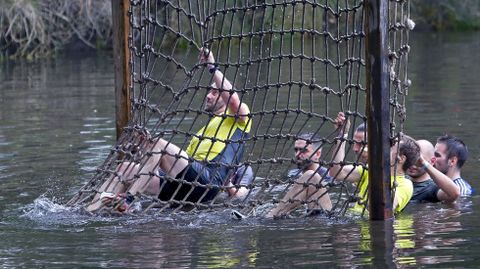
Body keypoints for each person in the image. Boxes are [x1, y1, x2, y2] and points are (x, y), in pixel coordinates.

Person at [86, 48, 252, 212]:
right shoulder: (200, 133)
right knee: (124, 168)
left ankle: (127, 200)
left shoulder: (241, 117)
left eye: (215, 92)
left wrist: (212, 66)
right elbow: (176, 169)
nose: (208, 95)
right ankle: (89, 212)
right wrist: (145, 151)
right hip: (185, 185)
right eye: (209, 91)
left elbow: (233, 101)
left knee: (158, 144)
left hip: (207, 184)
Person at [329, 112, 417, 215]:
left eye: (391, 147)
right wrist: (342, 135)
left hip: (368, 227)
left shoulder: (406, 184)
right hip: (353, 222)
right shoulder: (368, 170)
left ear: (401, 159)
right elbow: (336, 172)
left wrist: (374, 156)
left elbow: (384, 208)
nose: (384, 148)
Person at [266, 133, 333, 218]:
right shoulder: (291, 174)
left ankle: (272, 215)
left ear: (318, 154)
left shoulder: (328, 177)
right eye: (296, 150)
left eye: (303, 150)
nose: (297, 154)